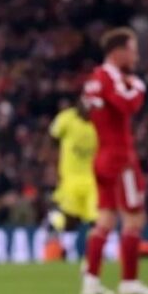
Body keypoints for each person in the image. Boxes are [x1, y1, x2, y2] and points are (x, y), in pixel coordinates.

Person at [80, 27, 148, 294]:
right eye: (132, 50)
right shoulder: (111, 77)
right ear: (118, 52)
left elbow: (86, 110)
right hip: (120, 158)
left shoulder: (95, 78)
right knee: (134, 218)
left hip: (103, 155)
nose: (136, 56)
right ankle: (129, 281)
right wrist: (140, 86)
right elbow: (128, 104)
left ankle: (91, 281)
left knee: (105, 219)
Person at [46, 99, 97, 236]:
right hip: (70, 177)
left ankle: (94, 249)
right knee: (69, 220)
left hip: (93, 179)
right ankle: (52, 227)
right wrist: (51, 167)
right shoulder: (66, 119)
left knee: (97, 220)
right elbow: (51, 140)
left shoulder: (100, 123)